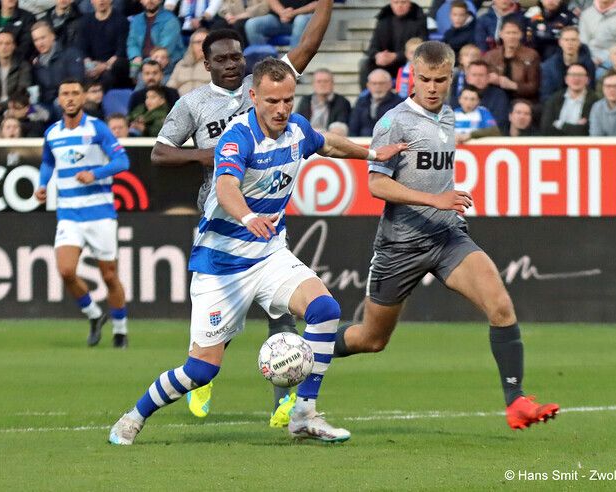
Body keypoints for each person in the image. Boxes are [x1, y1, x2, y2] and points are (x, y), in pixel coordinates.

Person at [108, 57, 406, 445]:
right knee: (200, 370)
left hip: (268, 254)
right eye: (272, 101)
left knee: (325, 309)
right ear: (253, 97)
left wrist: (371, 154)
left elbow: (327, 143)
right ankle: (132, 418)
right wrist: (248, 216)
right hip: (221, 265)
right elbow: (228, 186)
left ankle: (304, 414)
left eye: (287, 100)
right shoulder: (238, 138)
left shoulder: (296, 128)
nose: (281, 109)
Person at [331, 41, 559, 431]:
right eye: (425, 80)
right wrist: (433, 198)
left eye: (440, 80)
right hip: (400, 244)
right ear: (412, 78)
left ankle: (516, 400)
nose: (433, 87)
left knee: (501, 306)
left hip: (447, 236)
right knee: (371, 339)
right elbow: (376, 185)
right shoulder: (393, 122)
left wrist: (441, 204)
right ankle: (304, 350)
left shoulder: (450, 116)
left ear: (451, 77)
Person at [150, 0, 334, 426]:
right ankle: (203, 376)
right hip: (220, 224)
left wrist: (324, 6)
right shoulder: (193, 104)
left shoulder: (265, 87)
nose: (232, 64)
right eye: (222, 59)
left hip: (265, 222)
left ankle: (284, 405)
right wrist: (208, 155)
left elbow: (306, 47)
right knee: (219, 332)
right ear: (206, 62)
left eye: (237, 56)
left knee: (284, 315)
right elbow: (159, 153)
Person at [34, 78, 131, 348]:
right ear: (59, 99)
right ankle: (94, 313)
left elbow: (123, 161)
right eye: (65, 93)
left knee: (109, 275)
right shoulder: (52, 133)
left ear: (84, 96)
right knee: (66, 271)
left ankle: (120, 331)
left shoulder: (97, 129)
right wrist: (42, 185)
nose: (70, 98)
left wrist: (95, 173)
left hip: (100, 213)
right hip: (69, 214)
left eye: (75, 93)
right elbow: (47, 162)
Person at [359, 0, 427, 88]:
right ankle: (367, 97)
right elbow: (373, 47)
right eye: (396, 2)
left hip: (407, 61)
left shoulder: (418, 18)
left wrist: (396, 56)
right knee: (365, 64)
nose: (399, 6)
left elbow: (422, 47)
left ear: (409, 3)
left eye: (403, 2)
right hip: (385, 64)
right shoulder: (383, 18)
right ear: (391, 3)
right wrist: (377, 55)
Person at [31, 21, 85, 112]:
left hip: (67, 101)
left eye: (43, 38)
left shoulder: (70, 54)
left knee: (60, 104)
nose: (39, 43)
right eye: (36, 40)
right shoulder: (36, 64)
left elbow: (77, 81)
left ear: (53, 36)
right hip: (47, 105)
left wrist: (61, 97)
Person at [76, 0, 130, 89]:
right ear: (92, 1)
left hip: (112, 65)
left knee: (114, 69)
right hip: (92, 65)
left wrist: (104, 66)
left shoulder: (121, 21)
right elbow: (83, 49)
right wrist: (90, 66)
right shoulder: (85, 21)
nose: (101, 1)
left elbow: (121, 51)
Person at [483, 18, 540, 102]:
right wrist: (490, 79)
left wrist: (512, 85)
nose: (511, 36)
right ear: (501, 34)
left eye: (515, 33)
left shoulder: (531, 55)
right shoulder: (490, 56)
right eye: (508, 33)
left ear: (521, 35)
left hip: (521, 100)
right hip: (496, 99)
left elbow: (534, 87)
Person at [127, 0, 185, 80]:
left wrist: (143, 63)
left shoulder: (171, 20)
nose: (150, 1)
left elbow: (163, 50)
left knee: (144, 77)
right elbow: (132, 43)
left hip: (167, 62)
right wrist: (136, 56)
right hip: (143, 63)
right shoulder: (137, 20)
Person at [539, 26, 596, 100]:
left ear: (579, 42)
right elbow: (546, 95)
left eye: (573, 40)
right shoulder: (549, 66)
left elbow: (591, 91)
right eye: (566, 40)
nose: (570, 43)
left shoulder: (588, 64)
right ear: (560, 42)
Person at [541, 63, 597, 135]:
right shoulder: (554, 99)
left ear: (587, 80)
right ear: (566, 79)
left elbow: (586, 131)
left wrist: (560, 124)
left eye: (580, 75)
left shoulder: (595, 101)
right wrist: (575, 127)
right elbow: (545, 128)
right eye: (572, 75)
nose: (576, 78)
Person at [450, 59, 509, 128]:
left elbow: (499, 121)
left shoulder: (499, 95)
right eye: (474, 75)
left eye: (481, 75)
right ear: (467, 78)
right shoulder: (460, 94)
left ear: (488, 78)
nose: (478, 79)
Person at [349, 68, 403, 137]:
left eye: (381, 83)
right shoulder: (361, 101)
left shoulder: (399, 103)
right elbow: (353, 127)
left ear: (390, 84)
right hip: (362, 142)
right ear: (368, 85)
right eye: (374, 83)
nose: (378, 87)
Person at [578, 0, 616, 73]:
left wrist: (603, 58)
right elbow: (583, 42)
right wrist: (591, 59)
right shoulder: (586, 14)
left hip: (614, 58)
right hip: (590, 57)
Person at [245, 0, 317, 49]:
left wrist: (294, 13)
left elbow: (318, 4)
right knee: (252, 25)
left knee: (300, 20)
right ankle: (264, 64)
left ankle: (293, 64)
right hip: (280, 18)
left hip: (305, 17)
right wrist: (282, 13)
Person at [167, 28, 212, 96]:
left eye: (205, 41)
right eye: (198, 42)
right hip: (181, 102)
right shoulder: (181, 64)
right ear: (192, 45)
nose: (202, 45)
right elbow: (170, 87)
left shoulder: (216, 64)